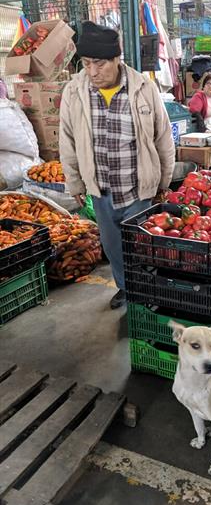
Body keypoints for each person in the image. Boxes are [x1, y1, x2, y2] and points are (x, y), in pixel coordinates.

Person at [60, 21, 175, 309]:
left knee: (143, 247)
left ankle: (148, 294)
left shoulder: (143, 88)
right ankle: (125, 287)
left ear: (116, 59)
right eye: (86, 64)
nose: (92, 72)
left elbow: (163, 138)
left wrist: (164, 182)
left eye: (99, 64)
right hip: (101, 190)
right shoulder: (74, 92)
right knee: (113, 248)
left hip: (138, 188)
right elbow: (67, 140)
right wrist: (75, 182)